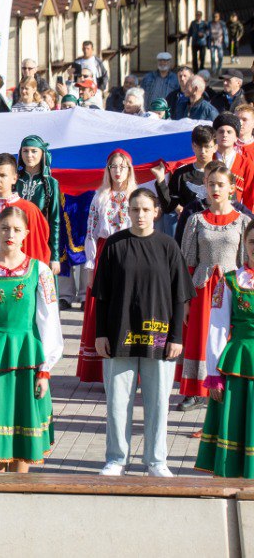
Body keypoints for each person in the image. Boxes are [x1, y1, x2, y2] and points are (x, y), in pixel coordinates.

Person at [92, 188, 191, 477]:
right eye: (135, 209)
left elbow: (179, 296)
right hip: (119, 335)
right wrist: (101, 334)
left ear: (156, 211)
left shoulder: (168, 246)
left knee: (158, 403)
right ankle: (116, 458)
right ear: (128, 212)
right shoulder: (114, 245)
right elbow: (102, 295)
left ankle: (156, 460)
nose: (140, 215)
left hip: (159, 338)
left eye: (146, 209)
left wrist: (177, 337)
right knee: (117, 403)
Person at [0, 206, 62, 472]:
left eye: (17, 229)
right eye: (5, 228)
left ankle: (19, 495)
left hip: (28, 356)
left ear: (26, 233)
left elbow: (48, 320)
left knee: (24, 433)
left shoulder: (39, 272)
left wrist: (45, 370)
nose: (10, 234)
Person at [176, 162, 249, 412]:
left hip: (232, 289)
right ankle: (198, 395)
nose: (215, 188)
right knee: (200, 340)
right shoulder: (196, 219)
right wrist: (185, 301)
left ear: (231, 188)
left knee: (226, 341)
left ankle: (225, 398)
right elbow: (187, 264)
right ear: (204, 186)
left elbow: (246, 261)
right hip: (202, 289)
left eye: (221, 184)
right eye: (211, 184)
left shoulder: (243, 221)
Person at [196, 221, 254, 476]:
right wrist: (213, 373)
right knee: (237, 421)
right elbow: (217, 327)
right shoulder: (231, 281)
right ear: (244, 246)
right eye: (252, 242)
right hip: (239, 360)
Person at [76, 150, 136, 382]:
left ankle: (128, 366)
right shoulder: (100, 196)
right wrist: (90, 267)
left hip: (129, 252)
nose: (118, 171)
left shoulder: (135, 196)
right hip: (104, 253)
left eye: (122, 166)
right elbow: (91, 233)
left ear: (129, 170)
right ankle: (101, 371)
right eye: (113, 166)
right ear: (107, 170)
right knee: (103, 306)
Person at [17, 135, 65, 292]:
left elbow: (55, 220)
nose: (29, 155)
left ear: (42, 154)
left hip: (39, 243)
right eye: (25, 151)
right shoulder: (14, 180)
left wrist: (55, 257)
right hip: (14, 242)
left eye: (33, 151)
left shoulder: (51, 183)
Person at [155, 125, 216, 243]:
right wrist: (161, 181)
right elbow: (168, 206)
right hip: (186, 228)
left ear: (215, 147)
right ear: (193, 146)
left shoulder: (221, 173)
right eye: (199, 146)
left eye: (207, 147)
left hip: (213, 226)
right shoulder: (181, 174)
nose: (203, 151)